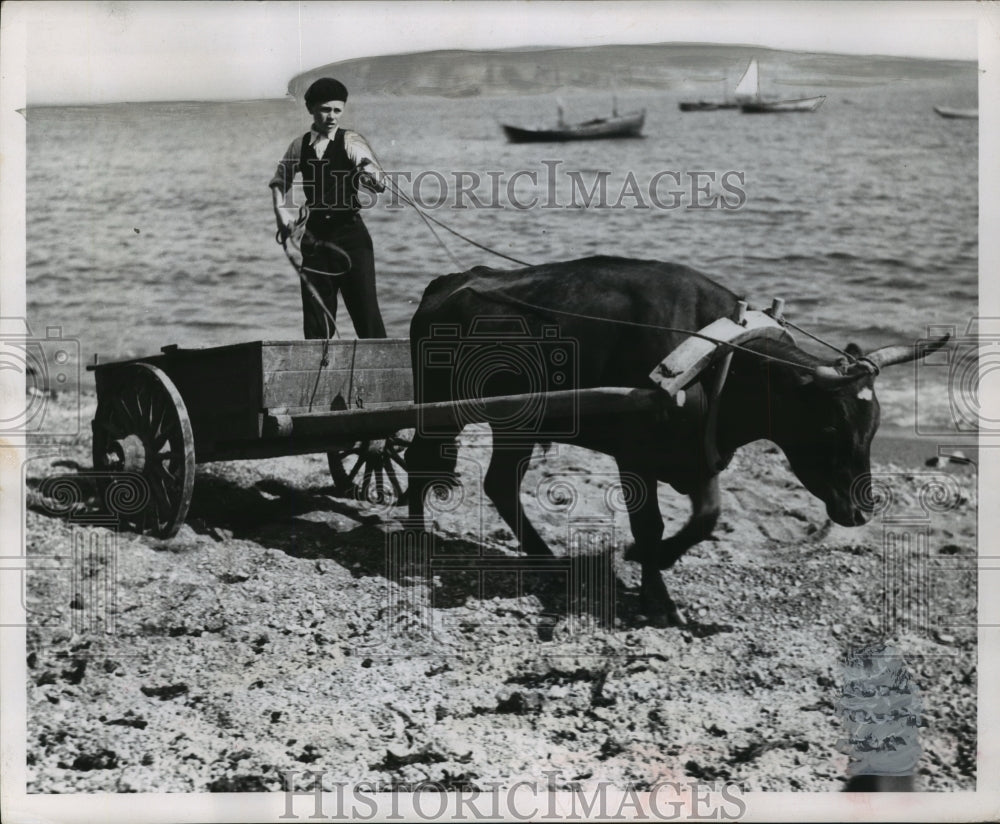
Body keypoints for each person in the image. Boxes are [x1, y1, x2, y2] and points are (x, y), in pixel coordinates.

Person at [269, 77, 388, 339]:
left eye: (337, 110)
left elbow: (379, 182)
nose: (332, 116)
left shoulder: (352, 141)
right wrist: (281, 214)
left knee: (367, 319)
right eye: (325, 109)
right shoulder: (299, 146)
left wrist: (370, 178)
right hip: (315, 241)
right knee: (316, 327)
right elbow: (279, 181)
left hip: (352, 238)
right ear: (311, 109)